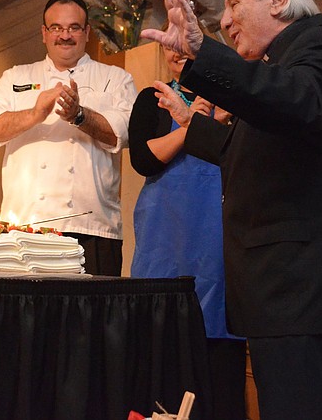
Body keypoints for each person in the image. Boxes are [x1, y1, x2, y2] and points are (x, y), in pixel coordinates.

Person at [141, 0, 322, 419]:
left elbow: (291, 100)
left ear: (278, 0)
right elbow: (249, 153)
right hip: (289, 292)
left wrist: (203, 52)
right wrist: (192, 124)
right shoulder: (283, 68)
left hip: (304, 290)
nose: (226, 21)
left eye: (234, 4)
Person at [0, 0, 137, 276]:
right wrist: (35, 114)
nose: (65, 36)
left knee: (92, 318)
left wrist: (79, 115)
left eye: (74, 28)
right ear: (44, 33)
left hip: (94, 229)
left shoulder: (115, 78)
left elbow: (123, 132)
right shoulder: (15, 76)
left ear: (87, 33)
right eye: (56, 28)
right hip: (25, 229)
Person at [128, 44, 245, 418]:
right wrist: (193, 127)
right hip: (166, 243)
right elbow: (143, 160)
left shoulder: (235, 98)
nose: (176, 52)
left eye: (184, 44)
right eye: (169, 46)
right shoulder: (153, 97)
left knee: (221, 368)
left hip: (221, 243)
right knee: (161, 352)